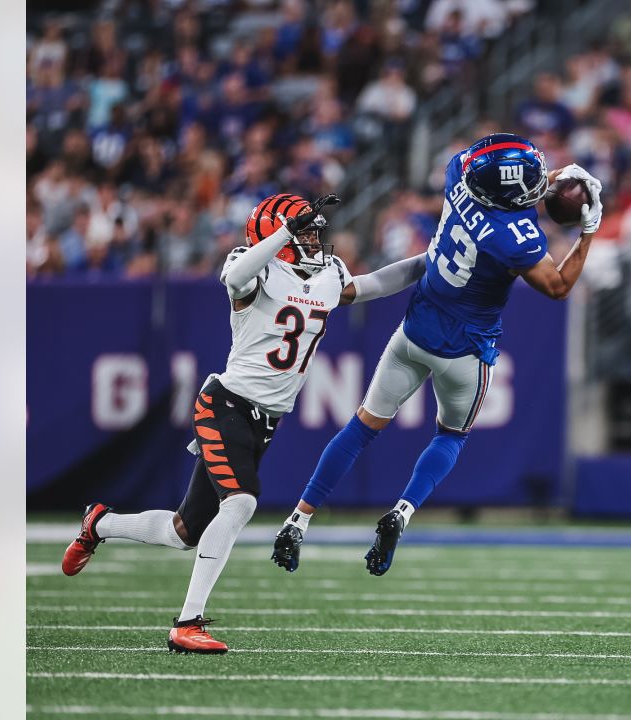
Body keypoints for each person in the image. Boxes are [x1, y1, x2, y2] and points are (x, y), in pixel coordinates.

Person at [59, 193, 427, 654]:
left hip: (264, 421)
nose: (314, 241)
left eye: (314, 233)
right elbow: (234, 276)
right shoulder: (255, 266)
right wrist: (285, 232)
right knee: (241, 502)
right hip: (225, 404)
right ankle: (186, 623)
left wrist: (432, 258)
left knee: (183, 531)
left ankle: (99, 524)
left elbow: (374, 283)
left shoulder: (327, 277)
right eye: (305, 232)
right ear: (279, 233)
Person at [271, 133, 602, 576]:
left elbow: (511, 184)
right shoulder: (516, 236)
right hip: (466, 350)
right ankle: (402, 512)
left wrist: (559, 176)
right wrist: (588, 232)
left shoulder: (457, 175)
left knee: (361, 426)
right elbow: (557, 286)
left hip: (416, 329)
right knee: (451, 435)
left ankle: (299, 518)